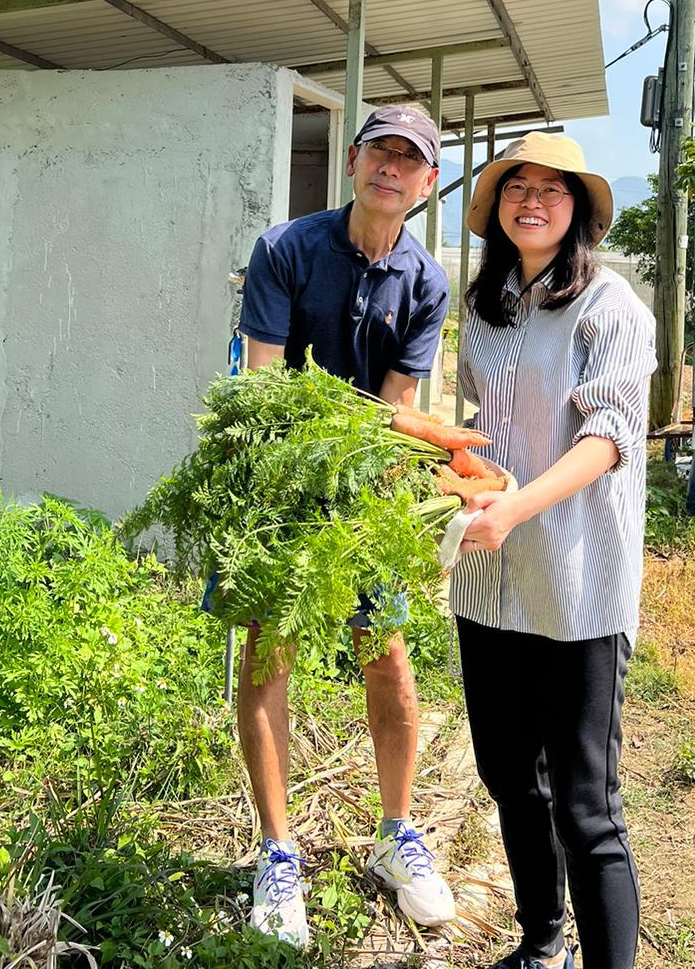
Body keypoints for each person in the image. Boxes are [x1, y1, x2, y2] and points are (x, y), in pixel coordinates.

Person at [232, 103, 457, 948]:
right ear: (354, 162)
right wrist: (307, 461)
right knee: (270, 646)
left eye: (409, 161)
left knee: (388, 657)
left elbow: (399, 409)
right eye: (379, 153)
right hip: (277, 476)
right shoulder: (286, 250)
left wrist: (414, 465)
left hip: (364, 490)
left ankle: (397, 833)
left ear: (427, 183)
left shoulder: (427, 282)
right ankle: (277, 850)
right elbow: (261, 387)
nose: (390, 169)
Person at [452, 132, 655, 969]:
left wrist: (514, 507)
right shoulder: (484, 306)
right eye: (515, 188)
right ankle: (543, 943)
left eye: (552, 189)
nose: (531, 201)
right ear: (498, 210)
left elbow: (610, 438)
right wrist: (451, 466)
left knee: (585, 806)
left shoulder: (611, 309)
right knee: (510, 781)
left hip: (575, 583)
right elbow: (479, 424)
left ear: (579, 211)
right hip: (489, 583)